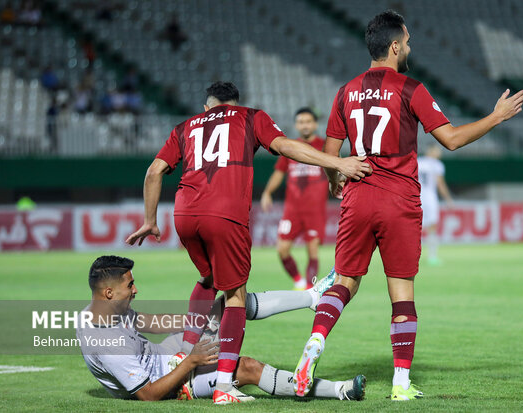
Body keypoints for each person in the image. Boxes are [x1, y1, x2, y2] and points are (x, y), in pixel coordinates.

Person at [292, 10, 523, 401]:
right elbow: (450, 139)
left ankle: (313, 346)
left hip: (358, 196)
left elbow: (330, 153)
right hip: (398, 199)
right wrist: (495, 117)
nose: (411, 47)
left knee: (345, 282)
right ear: (395, 46)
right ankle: (400, 385)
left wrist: (336, 179)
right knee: (401, 294)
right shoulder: (411, 87)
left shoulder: (345, 91)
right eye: (409, 41)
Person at [125, 81, 371, 404]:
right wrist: (338, 163)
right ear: (236, 104)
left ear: (206, 108)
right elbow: (284, 146)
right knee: (235, 296)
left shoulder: (184, 127)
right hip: (225, 213)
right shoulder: (250, 117)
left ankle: (183, 354)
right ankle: (224, 386)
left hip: (184, 214)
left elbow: (155, 170)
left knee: (209, 279)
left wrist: (149, 220)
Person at [78, 256, 366, 403]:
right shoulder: (105, 344)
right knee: (248, 368)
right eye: (130, 285)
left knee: (228, 300)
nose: (135, 289)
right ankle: (340, 391)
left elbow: (146, 323)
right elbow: (148, 395)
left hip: (169, 356)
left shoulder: (104, 310)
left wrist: (194, 324)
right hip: (172, 384)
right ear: (108, 292)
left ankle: (312, 298)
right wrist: (190, 360)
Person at [261, 107, 329, 290]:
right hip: (292, 209)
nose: (305, 125)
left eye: (308, 121)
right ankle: (298, 280)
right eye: (301, 122)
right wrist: (267, 192)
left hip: (315, 210)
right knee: (282, 249)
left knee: (312, 250)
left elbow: (335, 169)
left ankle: (309, 289)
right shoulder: (290, 146)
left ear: (314, 124)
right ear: (296, 125)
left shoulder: (324, 146)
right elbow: (279, 172)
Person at [418, 144, 453, 265]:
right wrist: (448, 199)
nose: (440, 153)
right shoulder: (437, 164)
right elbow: (440, 184)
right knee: (432, 227)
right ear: (431, 151)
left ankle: (410, 256)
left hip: (415, 197)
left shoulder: (417, 162)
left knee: (414, 227)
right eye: (438, 151)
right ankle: (432, 256)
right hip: (430, 198)